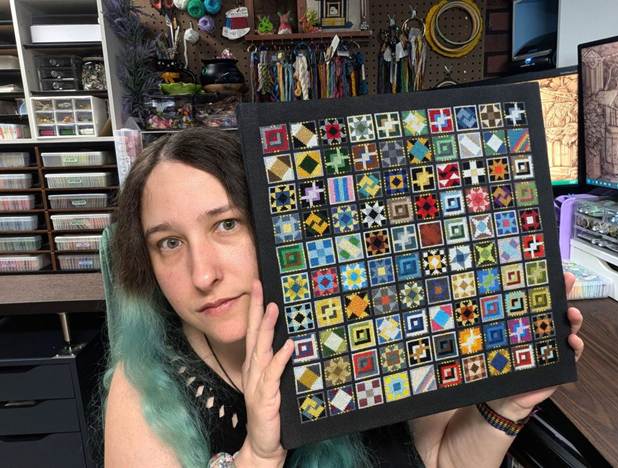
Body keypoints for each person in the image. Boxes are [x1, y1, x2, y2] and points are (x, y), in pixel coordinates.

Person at [102, 128, 584, 467]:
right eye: (169, 243)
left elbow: (444, 462)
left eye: (226, 224)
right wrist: (259, 455)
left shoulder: (376, 321)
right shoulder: (147, 385)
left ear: (278, 226)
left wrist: (509, 406)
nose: (203, 274)